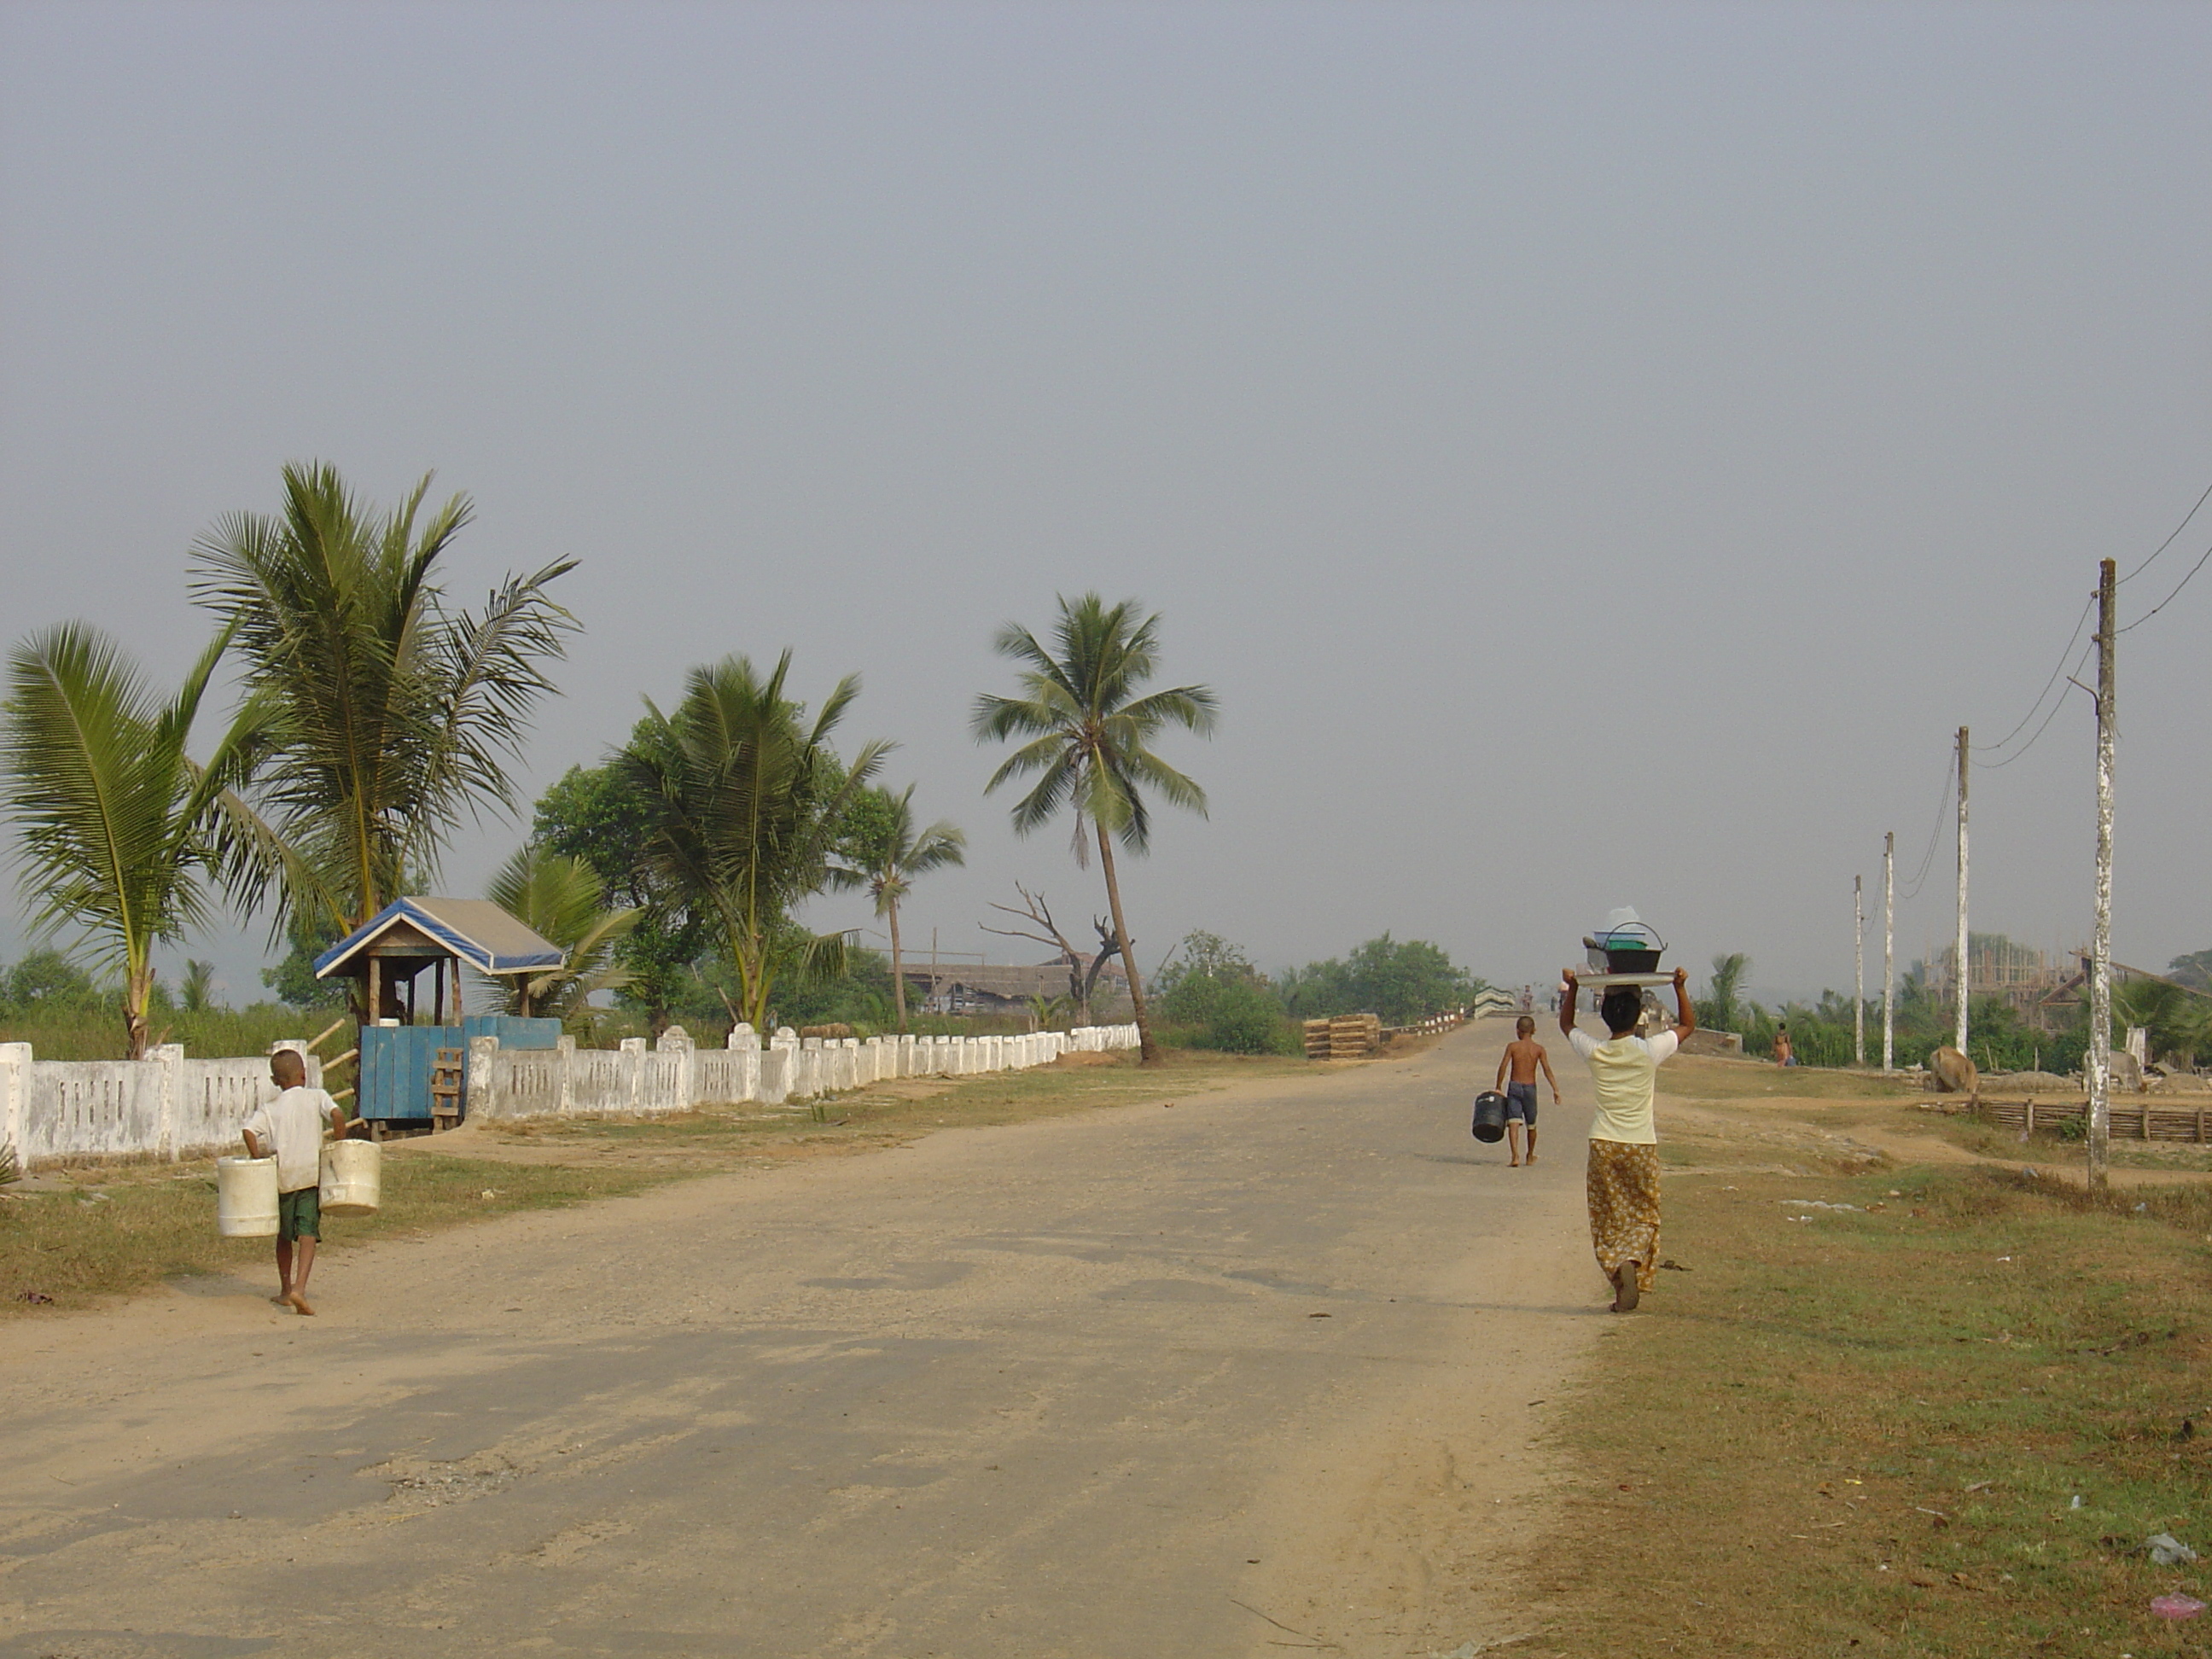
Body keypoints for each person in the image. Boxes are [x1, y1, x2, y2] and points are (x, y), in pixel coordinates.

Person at [1558, 965, 1696, 1313]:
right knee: (1644, 1214)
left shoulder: (1597, 1052)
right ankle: (1633, 1262)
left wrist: (1573, 987)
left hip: (1603, 1143)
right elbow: (1687, 1026)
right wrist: (1679, 987)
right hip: (1641, 1145)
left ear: (1605, 1018)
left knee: (1607, 1217)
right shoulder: (1649, 1051)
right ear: (1638, 1016)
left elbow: (1567, 1025)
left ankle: (1619, 1276)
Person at [241, 1048, 346, 1316]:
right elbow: (337, 1115)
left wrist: (258, 1158)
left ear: (275, 1081)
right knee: (308, 1234)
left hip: (283, 1179)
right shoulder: (317, 1096)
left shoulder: (271, 1107)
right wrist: (340, 1143)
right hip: (312, 1176)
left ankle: (286, 1290)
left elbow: (249, 1131)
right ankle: (300, 1287)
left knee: (284, 1236)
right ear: (304, 1074)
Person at [1493, 1015, 1562, 1167]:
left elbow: (1503, 1066)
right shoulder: (1538, 1049)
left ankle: (1515, 1156)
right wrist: (1555, 1089)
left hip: (1515, 1086)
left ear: (1518, 1031)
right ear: (1534, 1030)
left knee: (1513, 1122)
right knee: (1531, 1124)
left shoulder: (1512, 1047)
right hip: (1530, 1088)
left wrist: (1498, 1086)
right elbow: (1547, 1070)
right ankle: (1529, 1156)